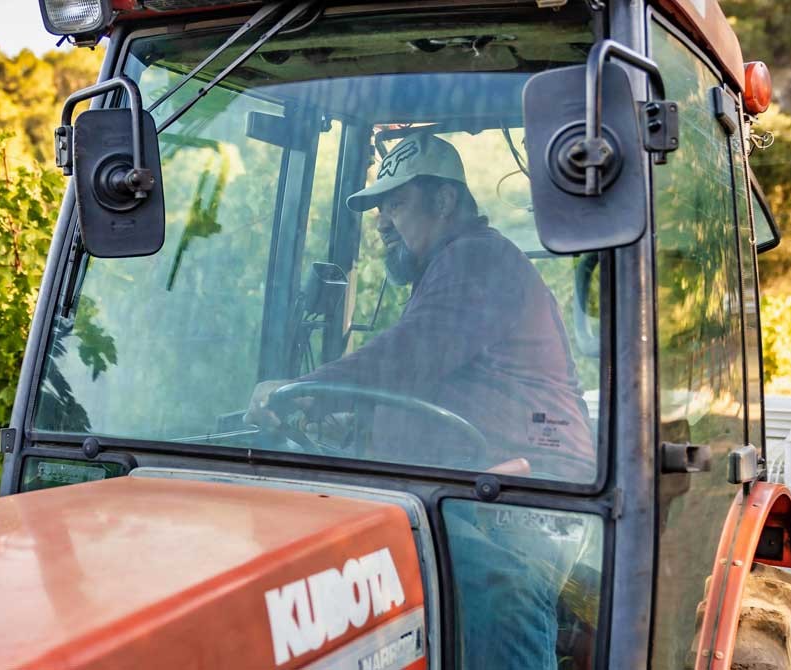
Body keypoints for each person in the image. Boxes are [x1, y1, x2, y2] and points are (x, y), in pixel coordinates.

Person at [246, 130, 593, 480]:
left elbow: (407, 356)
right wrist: (358, 428)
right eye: (380, 209)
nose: (381, 223)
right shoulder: (444, 270)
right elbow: (434, 387)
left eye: (396, 204)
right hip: (474, 484)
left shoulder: (477, 258)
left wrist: (304, 393)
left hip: (534, 490)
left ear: (443, 202)